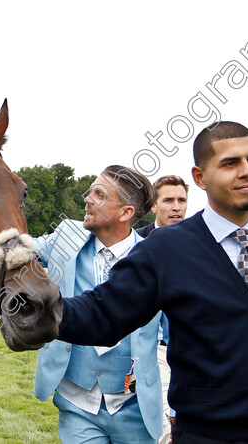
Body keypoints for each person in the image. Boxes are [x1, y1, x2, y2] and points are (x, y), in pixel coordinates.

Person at [56, 122, 248, 443]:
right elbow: (103, 314)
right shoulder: (166, 248)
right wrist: (36, 309)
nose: (247, 171)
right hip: (208, 435)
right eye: (230, 163)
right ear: (200, 177)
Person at [34, 165, 163, 443]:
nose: (87, 199)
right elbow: (21, 248)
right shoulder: (67, 237)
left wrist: (176, 407)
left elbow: (178, 338)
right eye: (90, 191)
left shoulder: (155, 259)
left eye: (99, 194)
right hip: (76, 403)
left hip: (136, 408)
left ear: (125, 213)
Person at [136, 174, 189, 444]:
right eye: (168, 200)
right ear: (154, 206)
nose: (176, 207)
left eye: (182, 200)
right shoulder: (135, 244)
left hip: (192, 349)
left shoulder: (201, 243)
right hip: (150, 348)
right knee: (164, 424)